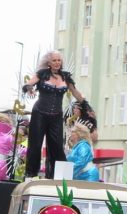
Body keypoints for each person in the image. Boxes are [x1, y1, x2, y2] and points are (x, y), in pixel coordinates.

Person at [23, 51, 87, 179]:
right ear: (49, 62)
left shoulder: (66, 77)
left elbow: (75, 92)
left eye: (59, 60)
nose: (57, 63)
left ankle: (56, 176)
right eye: (54, 60)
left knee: (57, 146)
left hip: (56, 116)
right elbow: (29, 83)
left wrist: (86, 106)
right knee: (35, 145)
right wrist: (29, 88)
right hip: (40, 113)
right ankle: (30, 174)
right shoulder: (42, 74)